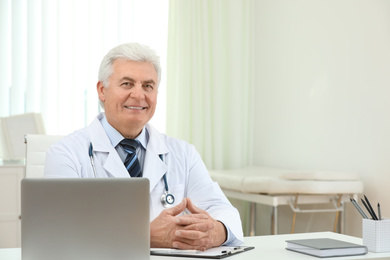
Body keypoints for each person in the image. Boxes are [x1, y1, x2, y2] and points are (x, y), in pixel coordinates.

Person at [44, 42, 243, 250]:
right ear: (102, 90)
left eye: (148, 86)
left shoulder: (183, 154)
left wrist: (216, 231)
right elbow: (59, 231)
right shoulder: (65, 154)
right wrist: (144, 235)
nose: (139, 95)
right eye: (127, 84)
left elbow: (224, 211)